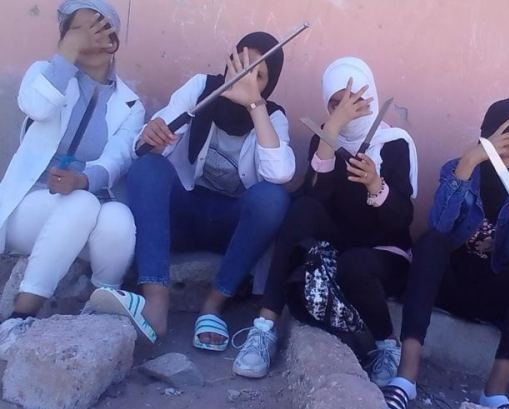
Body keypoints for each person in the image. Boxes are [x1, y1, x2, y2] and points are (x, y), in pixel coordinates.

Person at [88, 32, 294, 347]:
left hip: (231, 228)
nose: (246, 77)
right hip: (183, 214)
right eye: (242, 65)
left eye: (259, 75)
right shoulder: (202, 88)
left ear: (270, 84)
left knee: (273, 198)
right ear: (230, 61)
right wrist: (153, 137)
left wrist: (255, 105)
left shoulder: (272, 116)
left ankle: (213, 306)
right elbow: (144, 148)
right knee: (148, 168)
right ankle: (156, 301)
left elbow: (279, 174)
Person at [231, 57, 419, 381]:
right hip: (337, 246)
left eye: (353, 99)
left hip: (382, 253)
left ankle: (387, 346)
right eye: (336, 103)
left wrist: (375, 184)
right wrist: (331, 133)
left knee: (354, 265)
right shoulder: (323, 137)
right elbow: (316, 198)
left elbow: (401, 220)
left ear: (369, 97)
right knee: (302, 209)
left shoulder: (394, 143)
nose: (346, 109)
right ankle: (264, 328)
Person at [382, 99, 509, 409]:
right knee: (430, 243)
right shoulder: (458, 167)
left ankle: (495, 393)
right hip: (450, 283)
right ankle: (406, 377)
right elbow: (439, 225)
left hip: (492, 291)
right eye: (502, 137)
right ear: (486, 135)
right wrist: (468, 164)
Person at [0, 0, 143, 357]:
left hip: (86, 212)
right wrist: (64, 57)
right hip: (31, 207)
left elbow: (119, 158)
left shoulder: (131, 104)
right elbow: (37, 107)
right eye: (77, 29)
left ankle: (99, 309)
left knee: (118, 216)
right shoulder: (46, 74)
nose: (86, 35)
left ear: (112, 38)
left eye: (96, 26)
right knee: (83, 204)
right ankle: (19, 317)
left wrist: (83, 179)